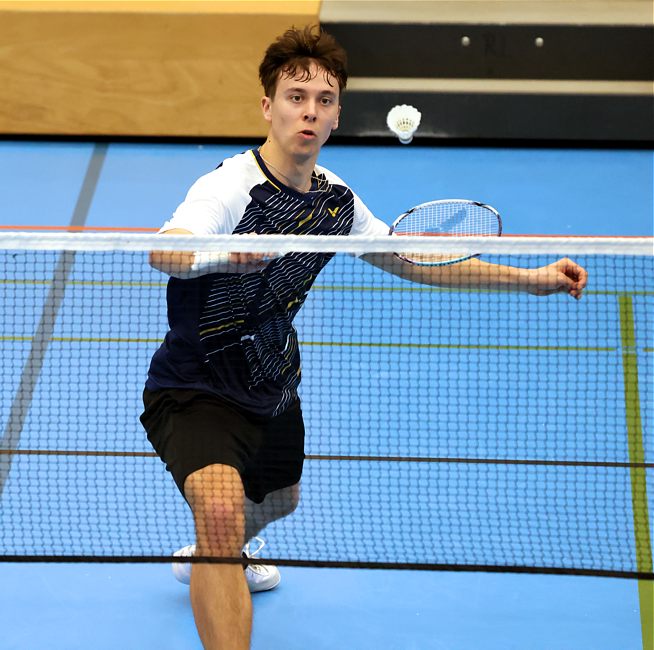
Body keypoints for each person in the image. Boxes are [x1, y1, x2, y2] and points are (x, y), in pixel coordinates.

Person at [140, 25, 587, 650]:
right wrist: (217, 253)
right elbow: (167, 249)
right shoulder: (229, 188)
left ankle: (221, 548)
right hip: (193, 385)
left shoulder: (337, 205)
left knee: (282, 500)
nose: (310, 110)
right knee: (219, 514)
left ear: (337, 115)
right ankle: (218, 549)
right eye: (296, 96)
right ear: (268, 106)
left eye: (324, 100)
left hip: (270, 387)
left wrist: (530, 279)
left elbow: (412, 261)